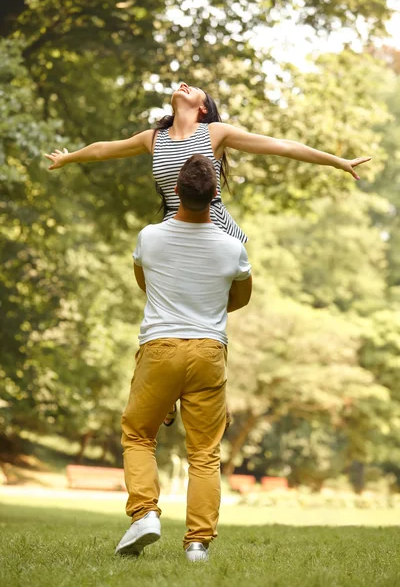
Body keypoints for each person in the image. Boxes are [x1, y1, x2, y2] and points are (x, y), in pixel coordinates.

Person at [44, 80, 371, 424]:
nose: (184, 84)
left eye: (195, 87)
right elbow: (103, 149)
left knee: (208, 312)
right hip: (175, 233)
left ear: (203, 108)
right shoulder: (153, 139)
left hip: (212, 230)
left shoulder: (214, 132)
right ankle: (169, 389)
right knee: (163, 308)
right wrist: (69, 158)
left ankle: (210, 385)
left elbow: (280, 146)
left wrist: (338, 162)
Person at [114, 153, 252, 561]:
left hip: (159, 348)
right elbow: (240, 299)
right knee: (204, 453)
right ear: (215, 196)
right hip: (209, 351)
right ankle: (197, 543)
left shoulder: (149, 237)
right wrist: (205, 304)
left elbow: (145, 283)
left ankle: (145, 514)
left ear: (175, 192)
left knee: (138, 435)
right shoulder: (232, 248)